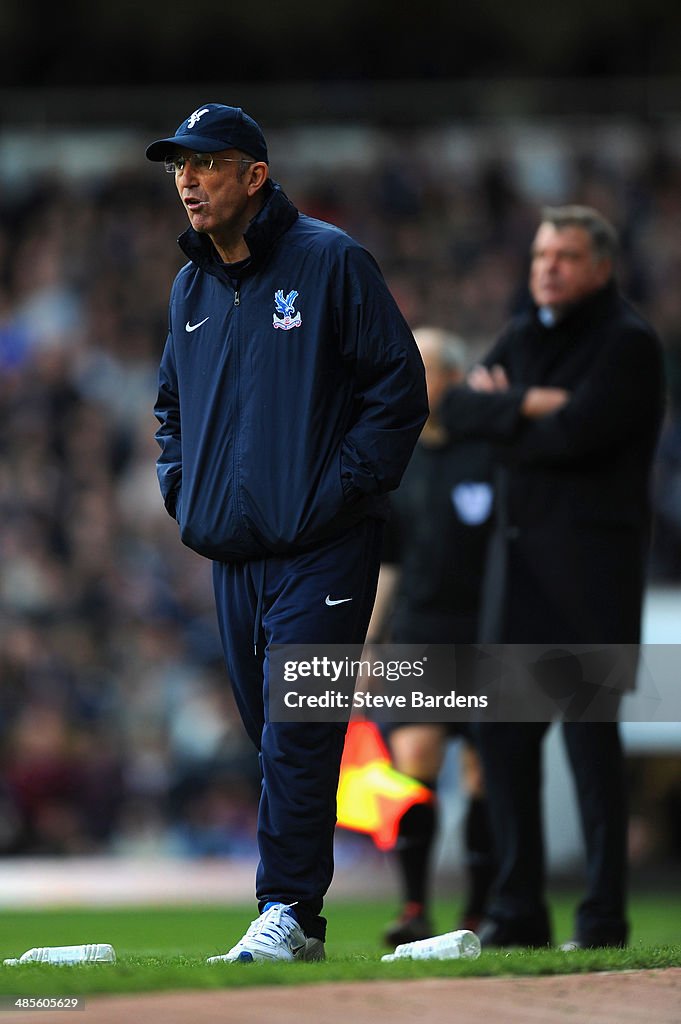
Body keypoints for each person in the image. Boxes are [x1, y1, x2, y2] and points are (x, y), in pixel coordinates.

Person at [147, 103, 428, 962]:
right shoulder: (190, 287)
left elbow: (398, 390)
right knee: (267, 738)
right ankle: (300, 926)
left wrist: (332, 495)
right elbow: (170, 412)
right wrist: (184, 493)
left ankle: (284, 905)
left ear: (254, 175)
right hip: (233, 554)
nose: (187, 180)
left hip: (324, 546)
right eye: (177, 167)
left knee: (296, 729)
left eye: (205, 163)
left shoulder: (331, 261)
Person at [441, 205, 665, 948]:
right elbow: (459, 409)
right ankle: (518, 913)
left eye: (565, 255)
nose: (548, 266)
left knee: (590, 754)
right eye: (541, 253)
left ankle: (601, 918)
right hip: (518, 582)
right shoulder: (521, 332)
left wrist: (506, 416)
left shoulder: (627, 344)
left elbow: (577, 435)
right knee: (501, 747)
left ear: (600, 267)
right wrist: (525, 408)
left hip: (589, 582)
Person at [366, 326, 496, 946]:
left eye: (420, 367)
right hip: (419, 634)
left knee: (485, 774)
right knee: (415, 762)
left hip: (489, 637)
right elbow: (388, 562)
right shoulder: (399, 457)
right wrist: (368, 643)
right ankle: (415, 906)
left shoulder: (492, 452)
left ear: (452, 377)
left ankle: (479, 910)